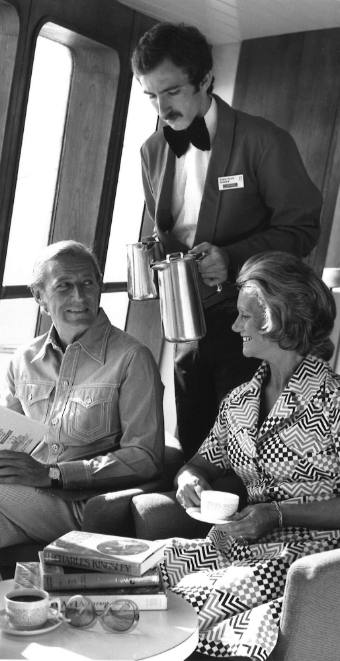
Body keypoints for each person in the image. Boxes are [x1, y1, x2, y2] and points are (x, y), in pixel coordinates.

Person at [131, 22, 322, 461]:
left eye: (173, 91)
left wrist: (232, 259)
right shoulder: (151, 151)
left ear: (205, 81)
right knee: (194, 445)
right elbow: (171, 232)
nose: (162, 107)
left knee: (244, 455)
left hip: (254, 322)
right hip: (188, 323)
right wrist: (153, 254)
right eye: (150, 96)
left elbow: (302, 229)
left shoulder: (264, 140)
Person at [161, 251, 340, 660]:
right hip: (236, 542)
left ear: (277, 318)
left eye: (245, 315)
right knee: (143, 579)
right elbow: (202, 462)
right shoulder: (240, 401)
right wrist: (188, 478)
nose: (235, 325)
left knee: (180, 603)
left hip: (310, 555)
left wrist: (276, 515)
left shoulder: (334, 402)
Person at [0, 240, 165, 551]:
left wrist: (52, 474)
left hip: (83, 506)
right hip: (25, 498)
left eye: (88, 283)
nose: (79, 296)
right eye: (64, 286)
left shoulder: (132, 357)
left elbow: (146, 458)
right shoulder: (22, 360)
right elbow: (9, 439)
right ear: (40, 297)